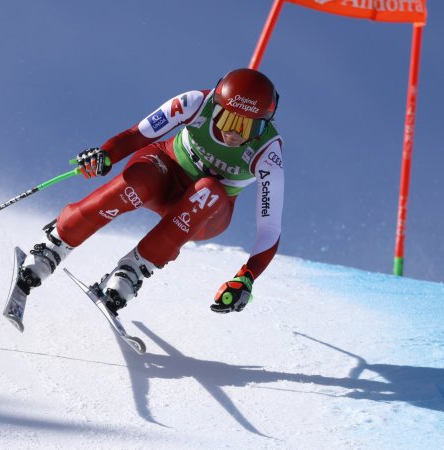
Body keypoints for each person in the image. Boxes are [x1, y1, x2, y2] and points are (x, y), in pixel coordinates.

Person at [17, 68, 284, 316]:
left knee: (210, 190)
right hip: (164, 172)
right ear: (216, 106)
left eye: (248, 127)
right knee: (137, 182)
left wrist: (246, 277)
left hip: (204, 214)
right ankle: (56, 244)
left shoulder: (268, 154)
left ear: (264, 125)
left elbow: (269, 230)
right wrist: (106, 154)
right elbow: (139, 134)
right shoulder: (195, 103)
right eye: (227, 119)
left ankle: (133, 270)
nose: (233, 133)